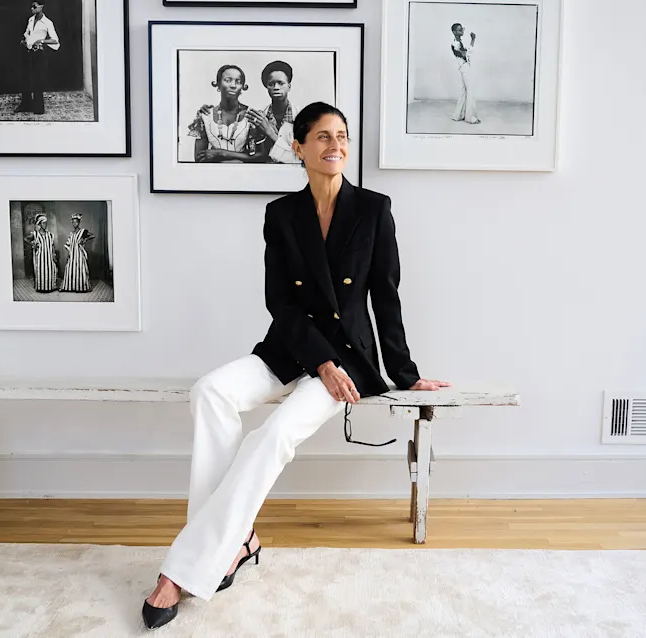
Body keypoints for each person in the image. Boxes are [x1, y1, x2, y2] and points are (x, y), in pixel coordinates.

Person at [141, 102, 450, 630]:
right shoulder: (282, 214)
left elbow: (386, 296)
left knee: (274, 434)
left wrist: (404, 372)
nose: (336, 145)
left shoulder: (374, 209)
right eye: (323, 136)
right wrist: (317, 359)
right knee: (210, 391)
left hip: (349, 358)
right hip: (291, 348)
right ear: (298, 147)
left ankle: (183, 570)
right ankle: (235, 540)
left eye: (342, 136)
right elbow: (280, 302)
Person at [188, 65, 261, 163]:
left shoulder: (251, 116)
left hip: (242, 170)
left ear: (243, 87)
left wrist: (221, 153)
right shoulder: (205, 115)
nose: (233, 85)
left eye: (238, 82)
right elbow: (199, 158)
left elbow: (260, 156)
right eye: (228, 80)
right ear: (218, 84)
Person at [242, 60, 301, 164]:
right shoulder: (260, 117)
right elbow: (255, 155)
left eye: (281, 83)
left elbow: (300, 158)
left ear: (289, 86)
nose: (276, 87)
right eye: (271, 84)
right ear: (267, 88)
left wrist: (269, 132)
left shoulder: (303, 117)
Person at [16, 2, 60, 115]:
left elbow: (55, 40)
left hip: (39, 54)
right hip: (28, 52)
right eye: (31, 6)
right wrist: (24, 40)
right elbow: (27, 33)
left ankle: (38, 107)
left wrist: (41, 41)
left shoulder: (47, 22)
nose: (32, 9)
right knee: (25, 79)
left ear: (41, 7)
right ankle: (26, 104)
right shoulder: (30, 20)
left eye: (34, 7)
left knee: (37, 80)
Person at [450, 23, 480, 125]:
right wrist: (473, 40)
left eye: (462, 29)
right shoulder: (455, 44)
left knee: (463, 92)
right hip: (464, 67)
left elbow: (466, 54)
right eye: (459, 30)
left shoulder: (459, 43)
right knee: (470, 91)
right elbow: (466, 54)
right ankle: (470, 118)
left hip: (463, 67)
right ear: (454, 32)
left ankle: (458, 115)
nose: (462, 31)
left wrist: (467, 50)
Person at [59, 213, 95, 293]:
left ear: (79, 222)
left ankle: (82, 287)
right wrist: (68, 254)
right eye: (73, 222)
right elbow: (68, 244)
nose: (74, 224)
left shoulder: (83, 231)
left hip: (79, 254)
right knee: (70, 269)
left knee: (80, 269)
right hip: (72, 254)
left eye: (76, 222)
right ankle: (69, 286)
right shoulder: (71, 233)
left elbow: (92, 235)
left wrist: (84, 239)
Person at [25, 212, 58, 293]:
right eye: (43, 223)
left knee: (50, 270)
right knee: (41, 271)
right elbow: (25, 239)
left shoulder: (50, 235)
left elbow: (52, 246)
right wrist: (33, 244)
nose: (45, 225)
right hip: (40, 257)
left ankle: (50, 286)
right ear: (39, 224)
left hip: (49, 256)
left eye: (46, 223)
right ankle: (41, 287)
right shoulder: (35, 234)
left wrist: (54, 255)